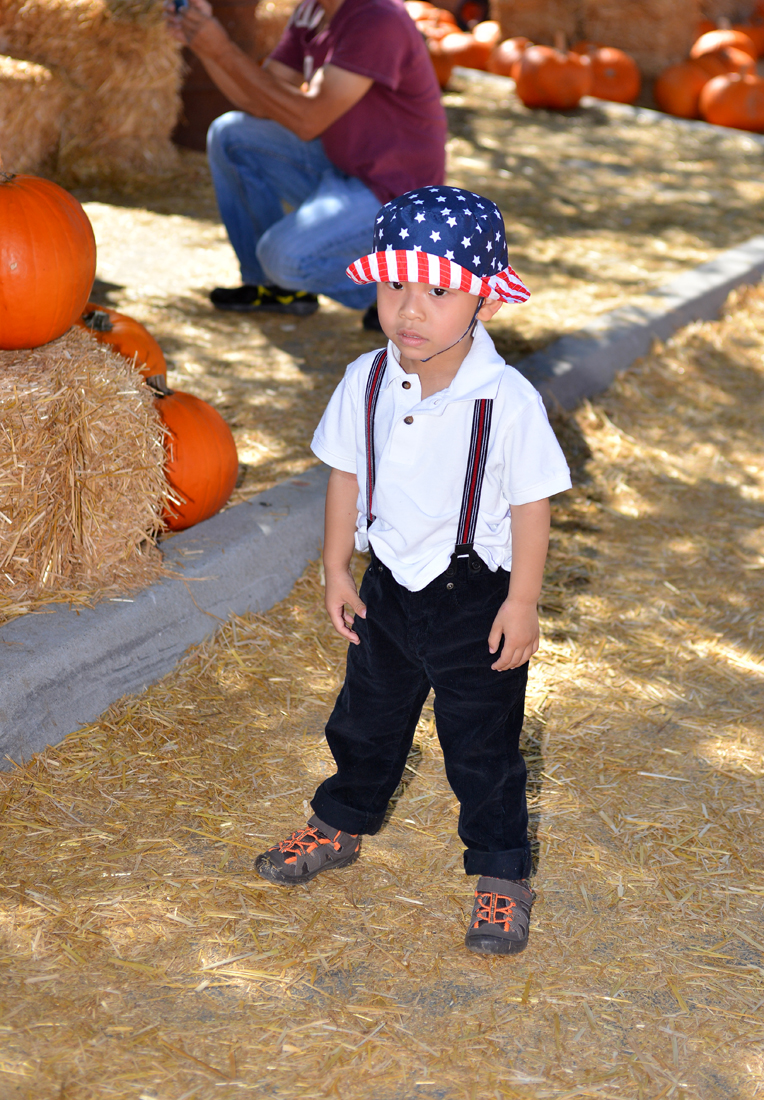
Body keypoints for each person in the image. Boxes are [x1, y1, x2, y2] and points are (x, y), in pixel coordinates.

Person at [255, 185, 572, 956]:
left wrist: (522, 602)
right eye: (397, 284)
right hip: (388, 587)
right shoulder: (366, 378)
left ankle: (501, 875)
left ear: (485, 302)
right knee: (364, 719)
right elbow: (344, 477)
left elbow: (532, 507)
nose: (412, 309)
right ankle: (338, 825)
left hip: (474, 597)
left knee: (481, 744)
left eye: (438, 289)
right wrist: (337, 567)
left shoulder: (507, 400)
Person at [166, 0, 447, 328]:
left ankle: (404, 292)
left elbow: (308, 120)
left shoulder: (378, 18)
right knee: (232, 135)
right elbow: (259, 98)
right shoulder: (312, 10)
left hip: (396, 195)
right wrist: (205, 45)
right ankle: (272, 291)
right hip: (344, 167)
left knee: (283, 258)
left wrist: (221, 48)